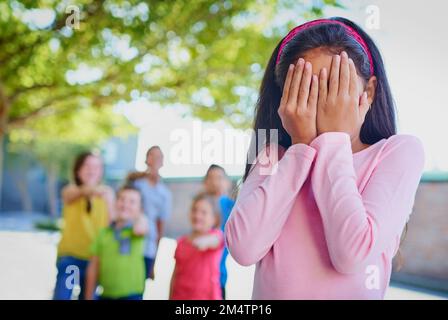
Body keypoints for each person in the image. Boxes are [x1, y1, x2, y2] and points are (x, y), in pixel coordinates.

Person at [225, 17, 425, 299]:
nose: (323, 102)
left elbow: (352, 253)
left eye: (334, 87)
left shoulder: (398, 153)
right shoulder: (271, 157)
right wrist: (300, 148)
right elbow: (244, 248)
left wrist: (332, 140)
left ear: (367, 92)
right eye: (306, 89)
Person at [53, 152, 115, 300]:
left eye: (96, 167)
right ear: (78, 170)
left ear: (101, 171)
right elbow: (77, 193)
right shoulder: (71, 190)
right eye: (87, 166)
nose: (91, 170)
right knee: (63, 296)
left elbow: (112, 223)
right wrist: (94, 190)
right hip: (71, 259)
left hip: (94, 260)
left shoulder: (107, 194)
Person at [85, 186, 149, 300]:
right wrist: (89, 297)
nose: (125, 204)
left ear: (140, 209)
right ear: (115, 202)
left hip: (132, 295)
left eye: (132, 202)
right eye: (121, 199)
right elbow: (93, 267)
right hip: (106, 294)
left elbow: (141, 228)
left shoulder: (135, 230)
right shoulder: (104, 233)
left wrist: (138, 214)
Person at [127, 146, 172, 281]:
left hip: (148, 247)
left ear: (163, 162)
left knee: (140, 286)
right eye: (152, 155)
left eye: (159, 157)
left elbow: (160, 228)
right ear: (146, 160)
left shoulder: (165, 193)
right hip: (129, 240)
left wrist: (154, 262)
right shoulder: (135, 184)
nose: (155, 160)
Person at [170, 193, 224, 300]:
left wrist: (205, 241)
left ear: (214, 219)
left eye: (203, 212)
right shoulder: (181, 242)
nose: (197, 215)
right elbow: (175, 274)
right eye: (194, 210)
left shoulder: (216, 235)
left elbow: (216, 240)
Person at [203, 164, 235, 299]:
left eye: (219, 178)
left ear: (227, 182)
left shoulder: (232, 206)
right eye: (211, 178)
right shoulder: (201, 206)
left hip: (218, 276)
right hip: (198, 275)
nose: (215, 182)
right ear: (205, 183)